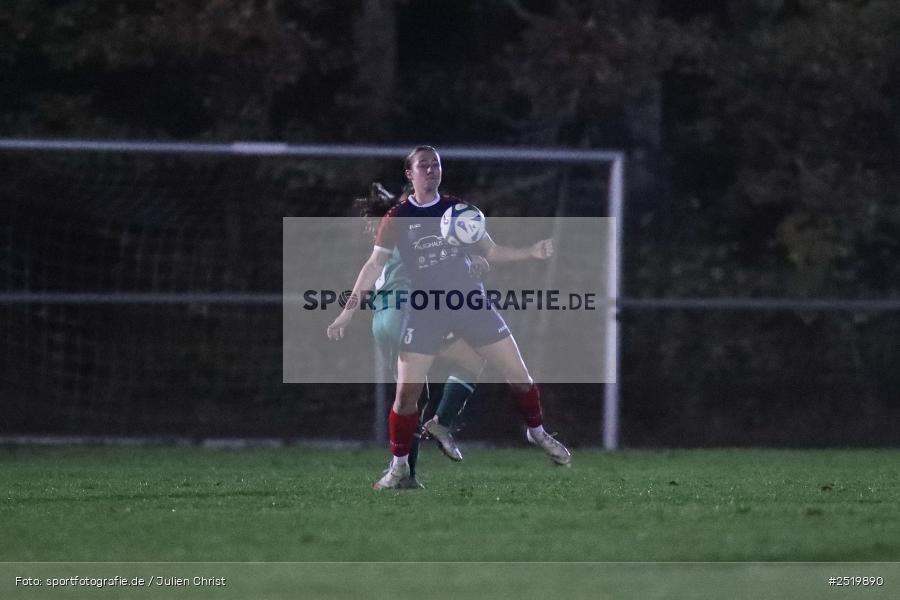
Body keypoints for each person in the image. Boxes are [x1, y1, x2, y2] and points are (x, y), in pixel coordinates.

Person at [328, 146, 570, 490]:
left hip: (470, 302)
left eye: (435, 165)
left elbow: (492, 251)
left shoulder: (459, 210)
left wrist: (529, 252)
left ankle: (537, 432)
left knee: (519, 375)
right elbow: (373, 266)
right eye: (423, 165)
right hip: (425, 311)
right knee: (406, 397)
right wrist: (347, 312)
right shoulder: (397, 217)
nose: (431, 170)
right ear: (410, 174)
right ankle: (399, 467)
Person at [356, 182, 487, 489]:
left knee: (412, 397)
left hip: (386, 318)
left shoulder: (394, 229)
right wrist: (471, 262)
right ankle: (439, 427)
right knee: (471, 359)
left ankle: (405, 473)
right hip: (405, 313)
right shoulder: (415, 231)